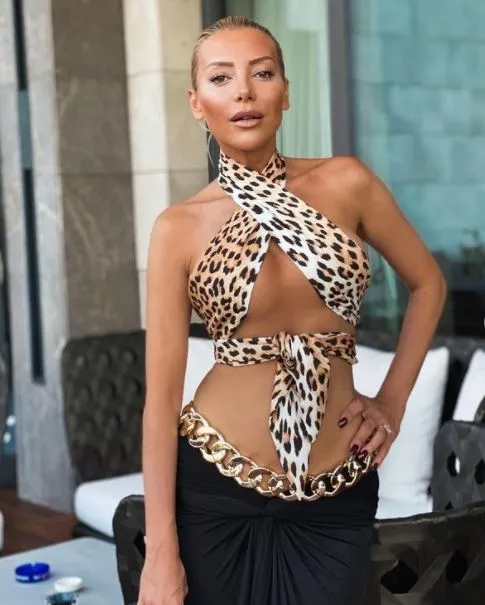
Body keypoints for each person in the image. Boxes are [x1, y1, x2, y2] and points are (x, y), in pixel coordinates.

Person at [137, 15, 446, 605]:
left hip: (336, 492)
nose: (244, 92)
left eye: (262, 73)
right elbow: (160, 403)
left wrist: (392, 402)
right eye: (221, 78)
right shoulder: (178, 227)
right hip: (216, 487)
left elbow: (428, 284)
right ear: (197, 103)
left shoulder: (348, 182)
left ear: (286, 92)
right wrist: (160, 552)